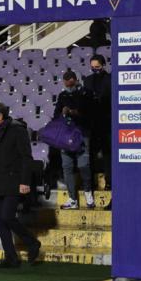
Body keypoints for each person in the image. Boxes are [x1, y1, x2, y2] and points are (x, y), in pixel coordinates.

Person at [0, 102, 41, 268]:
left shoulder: (17, 130)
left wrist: (25, 182)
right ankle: (11, 258)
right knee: (0, 220)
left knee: (7, 216)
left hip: (13, 181)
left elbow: (27, 158)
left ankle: (32, 243)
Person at [53, 70, 94, 210]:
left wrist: (73, 112)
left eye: (70, 83)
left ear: (76, 80)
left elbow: (90, 114)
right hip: (66, 136)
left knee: (83, 165)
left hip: (82, 134)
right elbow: (55, 115)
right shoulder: (62, 95)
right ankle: (72, 199)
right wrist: (62, 113)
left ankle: (88, 193)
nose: (68, 86)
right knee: (67, 167)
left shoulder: (86, 94)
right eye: (66, 84)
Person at [84, 55, 111, 191]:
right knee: (91, 154)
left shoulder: (110, 79)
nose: (95, 70)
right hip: (92, 122)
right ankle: (92, 183)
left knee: (108, 154)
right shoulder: (88, 80)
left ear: (103, 65)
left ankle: (109, 182)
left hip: (107, 122)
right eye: (93, 68)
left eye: (97, 67)